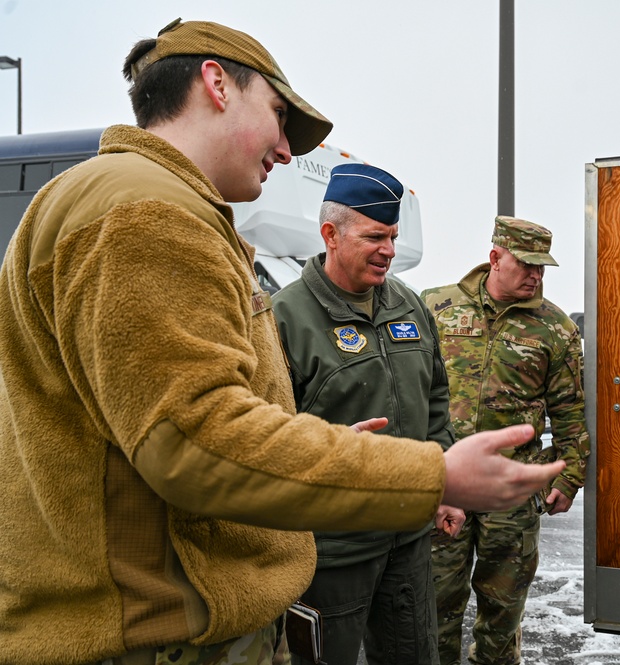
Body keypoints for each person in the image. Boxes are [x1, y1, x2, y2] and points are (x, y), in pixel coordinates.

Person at [0, 20, 563, 665]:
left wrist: (324, 452)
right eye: (278, 116)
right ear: (216, 83)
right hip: (158, 633)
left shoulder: (134, 202)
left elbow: (184, 426)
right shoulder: (146, 213)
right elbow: (195, 440)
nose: (287, 152)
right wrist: (433, 474)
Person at [272, 163, 464, 665]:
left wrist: (443, 485)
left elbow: (436, 403)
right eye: (375, 236)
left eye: (394, 236)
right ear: (330, 235)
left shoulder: (407, 304)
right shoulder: (284, 316)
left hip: (408, 540)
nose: (390, 250)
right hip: (331, 552)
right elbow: (264, 434)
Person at [422, 216, 591, 665]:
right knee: (435, 604)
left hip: (512, 491)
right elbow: (409, 389)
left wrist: (571, 475)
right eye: (527, 265)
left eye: (543, 268)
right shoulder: (436, 307)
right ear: (495, 258)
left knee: (503, 610)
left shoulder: (554, 328)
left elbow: (571, 409)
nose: (536, 276)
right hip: (444, 483)